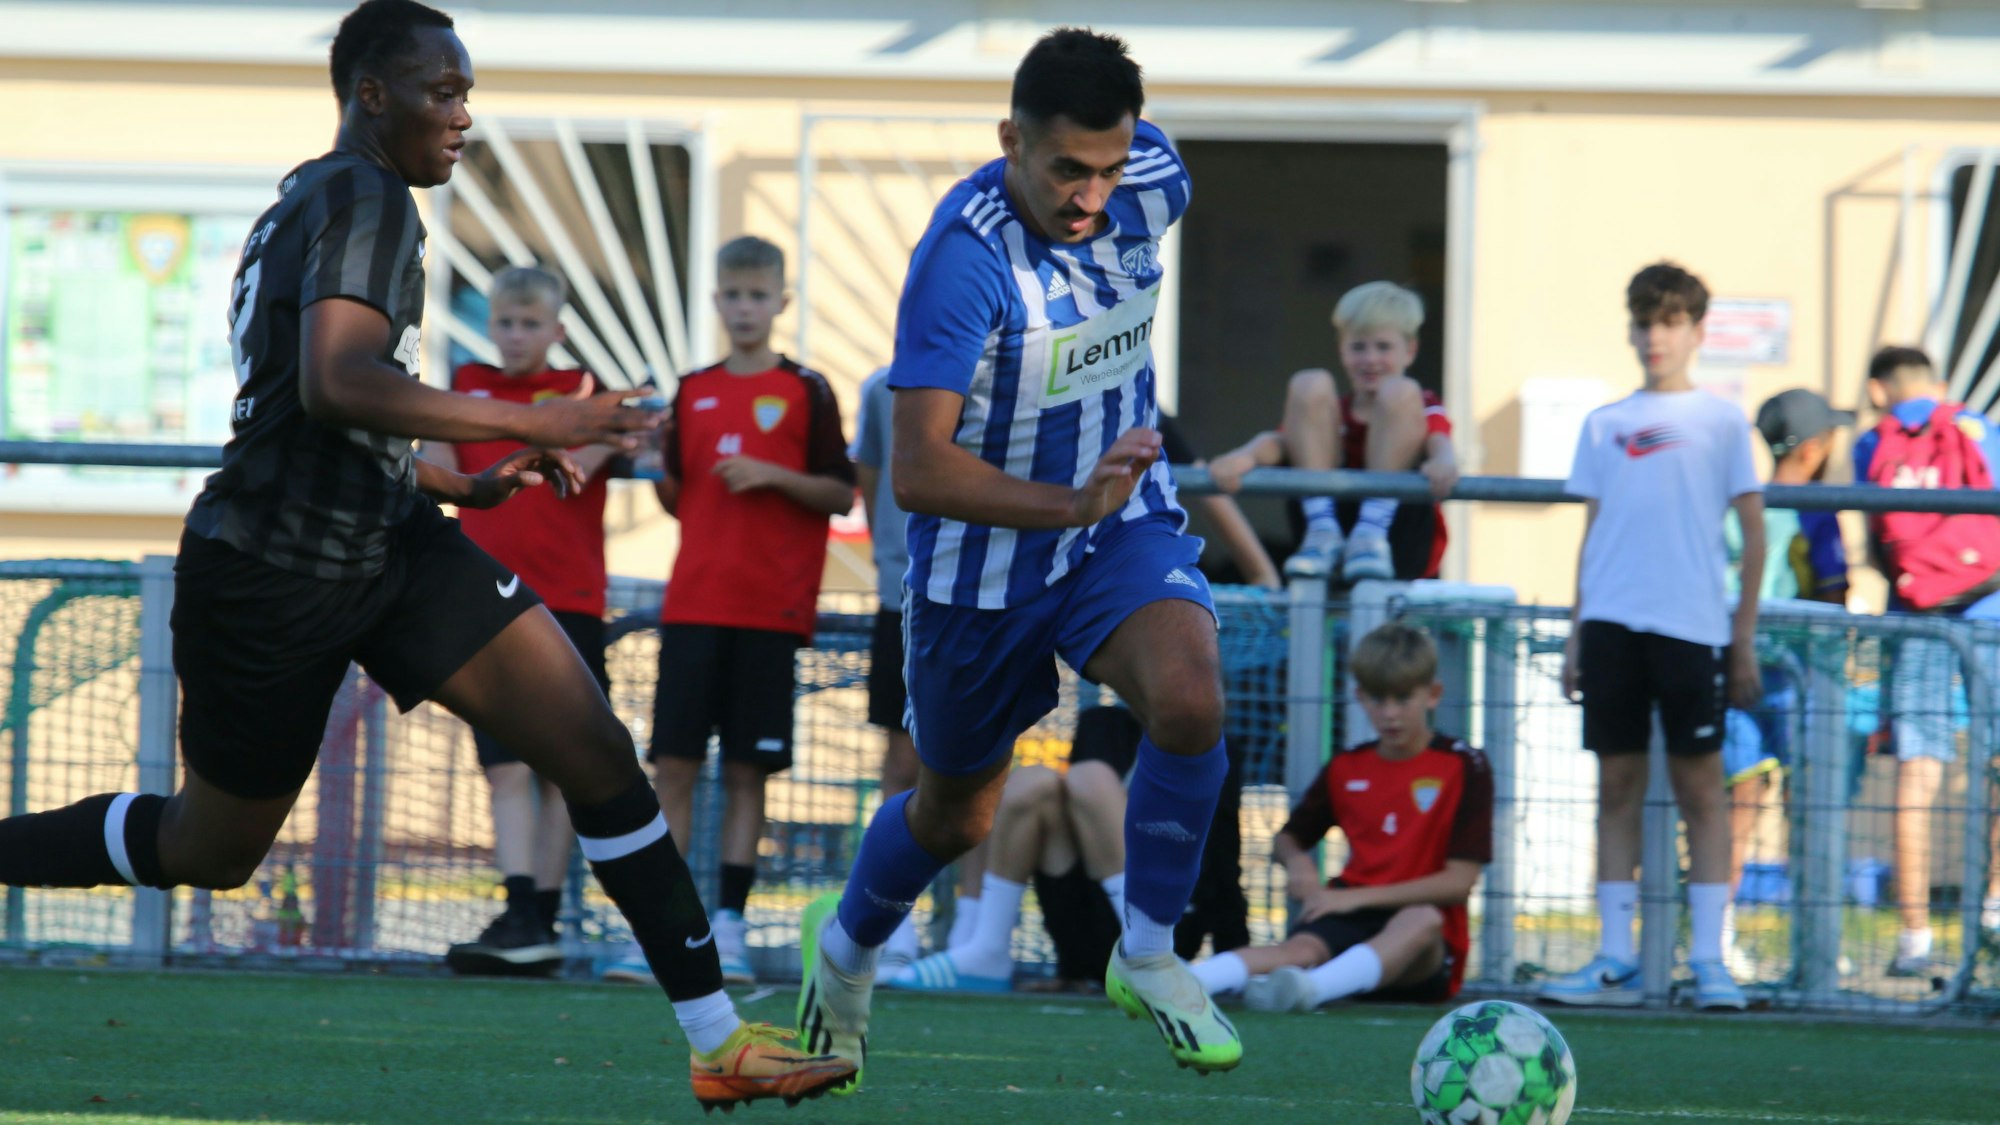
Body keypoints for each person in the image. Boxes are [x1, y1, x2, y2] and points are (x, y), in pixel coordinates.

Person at [0, 3, 852, 1110]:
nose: (462, 117)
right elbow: (333, 381)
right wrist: (539, 426)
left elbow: (312, 413)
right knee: (209, 849)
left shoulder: (314, 194)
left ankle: (715, 1040)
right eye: (441, 93)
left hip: (389, 543)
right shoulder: (364, 195)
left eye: (465, 92)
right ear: (371, 96)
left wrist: (451, 481)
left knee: (591, 743)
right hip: (272, 574)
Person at [795, 28, 1242, 1092]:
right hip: (977, 571)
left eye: (1109, 167)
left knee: (1188, 701)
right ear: (1009, 141)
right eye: (1064, 171)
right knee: (960, 811)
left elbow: (1131, 173)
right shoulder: (962, 262)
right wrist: (1063, 500)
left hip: (1111, 529)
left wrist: (1094, 505)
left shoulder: (1152, 179)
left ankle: (1144, 952)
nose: (1091, 197)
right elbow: (916, 471)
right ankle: (846, 950)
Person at [1540, 261, 1764, 1012]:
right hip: (1610, 625)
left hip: (1692, 627)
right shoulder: (1603, 423)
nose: (1654, 336)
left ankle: (1708, 959)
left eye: (1669, 322)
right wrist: (1576, 632)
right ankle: (1613, 957)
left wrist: (1742, 637)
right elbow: (1592, 531)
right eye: (1644, 321)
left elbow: (1754, 533)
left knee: (1704, 789)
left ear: (1697, 331)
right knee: (1616, 787)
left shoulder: (1723, 420)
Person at [643, 235, 855, 987]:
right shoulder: (691, 387)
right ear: (716, 302)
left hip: (770, 612)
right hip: (693, 604)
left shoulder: (808, 389)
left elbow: (842, 491)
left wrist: (771, 473)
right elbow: (677, 493)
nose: (744, 308)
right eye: (732, 295)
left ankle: (727, 923)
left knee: (744, 772)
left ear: (781, 303)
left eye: (757, 296)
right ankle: (668, 924)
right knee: (671, 765)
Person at [427, 265, 619, 976]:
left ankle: (540, 912)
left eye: (530, 324)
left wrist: (585, 444)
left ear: (557, 331)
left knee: (563, 768)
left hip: (568, 601)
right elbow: (436, 462)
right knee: (505, 769)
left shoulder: (581, 395)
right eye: (505, 322)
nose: (515, 336)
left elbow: (594, 456)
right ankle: (522, 914)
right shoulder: (465, 388)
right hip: (483, 599)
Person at [1187, 622, 1491, 1010]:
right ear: (1360, 697)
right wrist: (1298, 864)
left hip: (1422, 944)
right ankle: (1178, 981)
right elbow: (1289, 838)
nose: (1390, 713)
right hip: (1347, 915)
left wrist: (1356, 898)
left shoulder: (1465, 764)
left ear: (1432, 695)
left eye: (1403, 698)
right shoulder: (1347, 767)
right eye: (1378, 700)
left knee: (1422, 919)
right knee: (1297, 948)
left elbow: (1459, 882)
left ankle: (1310, 990)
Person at [1853, 345, 2000, 975]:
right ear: (1938, 384)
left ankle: (1915, 937)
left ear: (1878, 387)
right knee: (1996, 762)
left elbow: (1876, 532)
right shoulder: (1981, 429)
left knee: (1918, 774)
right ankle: (1994, 908)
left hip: (1919, 618)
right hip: (1992, 607)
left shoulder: (1872, 444)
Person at [1718, 388, 1851, 977]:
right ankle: (1814, 940)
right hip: (1800, 674)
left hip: (1735, 666)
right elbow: (1832, 587)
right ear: (1816, 446)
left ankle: (1716, 936)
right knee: (1808, 804)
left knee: (1736, 804)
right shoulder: (1814, 509)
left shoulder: (1737, 503)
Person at [1207, 281, 1460, 583]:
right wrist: (1244, 457)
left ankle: (1371, 532)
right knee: (1309, 383)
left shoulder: (1417, 403)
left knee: (1400, 391)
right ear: (1342, 349)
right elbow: (1280, 441)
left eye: (1383, 347)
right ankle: (1322, 529)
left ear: (1410, 350)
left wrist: (1445, 462)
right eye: (1358, 347)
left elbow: (1438, 439)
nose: (1370, 359)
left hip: (1397, 538)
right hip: (1329, 531)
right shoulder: (1331, 412)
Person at [883, 705, 1134, 992]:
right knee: (1032, 781)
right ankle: (989, 948)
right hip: (1089, 928)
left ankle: (1151, 952)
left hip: (1167, 926)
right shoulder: (1105, 724)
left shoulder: (1188, 731)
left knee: (1092, 777)